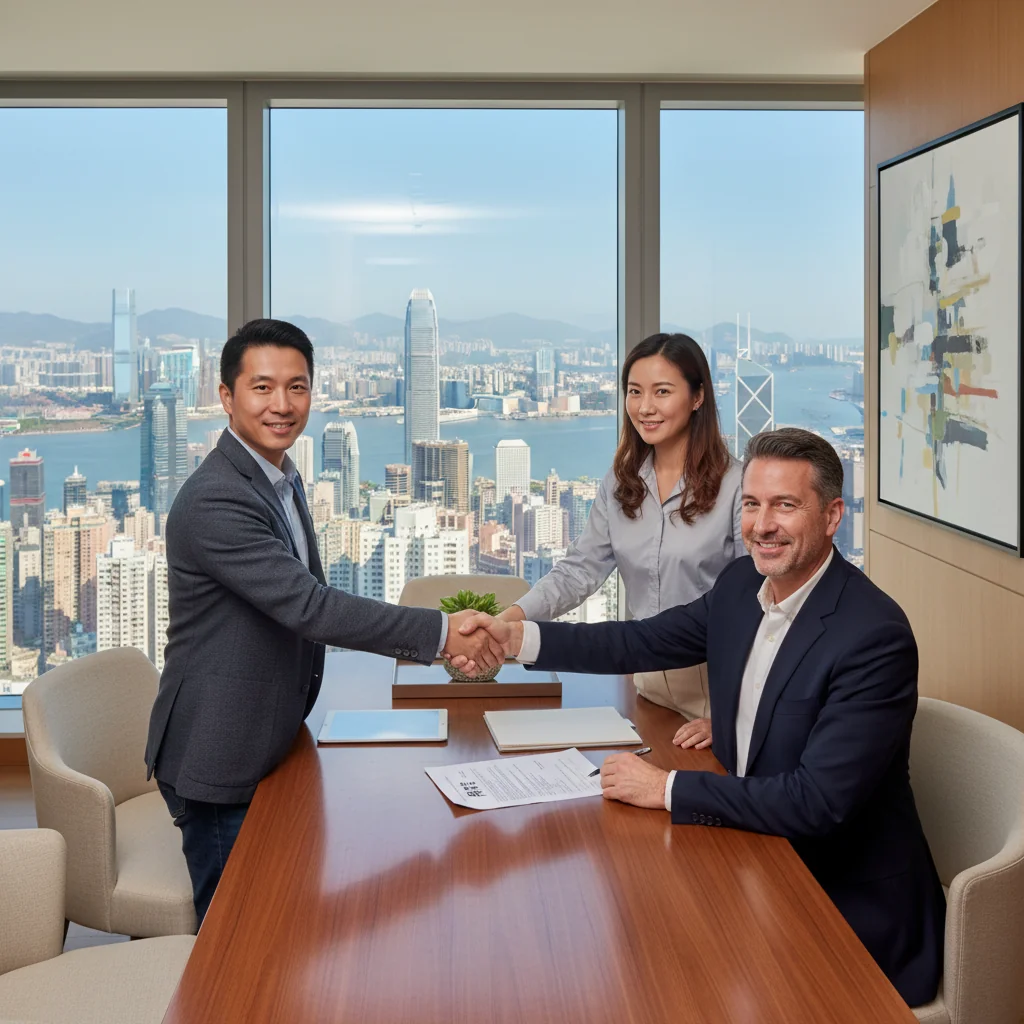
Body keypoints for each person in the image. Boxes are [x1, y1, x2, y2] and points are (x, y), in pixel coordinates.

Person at [455, 428, 945, 1007]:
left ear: (834, 515)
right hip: (755, 859)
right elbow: (638, 641)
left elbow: (817, 804)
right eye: (752, 504)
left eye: (785, 506)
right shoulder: (743, 586)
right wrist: (516, 639)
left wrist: (666, 787)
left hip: (840, 903)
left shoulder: (873, 636)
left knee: (660, 977)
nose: (762, 525)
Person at [145, 318, 500, 926]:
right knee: (238, 938)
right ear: (226, 397)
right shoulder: (216, 498)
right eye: (262, 388)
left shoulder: (279, 476)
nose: (282, 405)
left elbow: (310, 598)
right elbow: (309, 606)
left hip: (270, 730)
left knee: (284, 914)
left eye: (297, 386)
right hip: (222, 749)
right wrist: (441, 635)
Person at [500, 333, 744, 747]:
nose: (645, 407)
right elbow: (579, 572)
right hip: (644, 683)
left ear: (698, 396)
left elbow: (756, 605)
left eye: (662, 392)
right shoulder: (621, 481)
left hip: (715, 688)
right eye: (635, 392)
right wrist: (511, 619)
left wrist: (728, 716)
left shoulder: (737, 485)